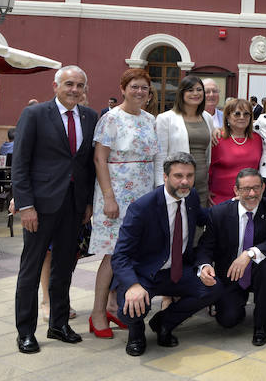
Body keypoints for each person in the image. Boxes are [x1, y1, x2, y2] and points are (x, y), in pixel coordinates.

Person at [12, 65, 98, 354]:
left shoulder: (90, 117)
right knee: (31, 269)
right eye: (69, 84)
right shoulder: (35, 114)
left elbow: (85, 165)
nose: (75, 89)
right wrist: (26, 206)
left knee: (64, 267)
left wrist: (87, 202)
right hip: (41, 206)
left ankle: (59, 324)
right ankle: (25, 331)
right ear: (55, 86)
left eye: (80, 85)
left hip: (73, 207)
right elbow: (20, 163)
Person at [111, 153, 219, 356]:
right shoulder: (142, 207)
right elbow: (120, 256)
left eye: (190, 175)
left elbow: (207, 218)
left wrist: (234, 205)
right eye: (178, 175)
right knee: (128, 309)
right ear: (165, 177)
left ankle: (163, 323)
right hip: (145, 273)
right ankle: (136, 333)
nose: (185, 181)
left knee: (212, 289)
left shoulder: (191, 196)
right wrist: (133, 286)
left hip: (178, 271)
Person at [88, 69, 158, 338]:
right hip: (116, 192)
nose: (139, 92)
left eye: (144, 88)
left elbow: (153, 159)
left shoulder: (150, 119)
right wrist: (108, 197)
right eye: (134, 87)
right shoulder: (111, 118)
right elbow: (99, 159)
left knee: (134, 253)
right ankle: (97, 313)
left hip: (143, 194)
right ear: (123, 88)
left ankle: (119, 308)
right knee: (113, 255)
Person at [196, 168, 266, 346]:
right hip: (231, 274)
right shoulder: (219, 213)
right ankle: (236, 303)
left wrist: (249, 254)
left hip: (259, 271)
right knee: (228, 320)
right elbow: (206, 247)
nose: (252, 194)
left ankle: (261, 325)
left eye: (256, 188)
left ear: (263, 187)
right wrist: (204, 266)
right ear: (236, 190)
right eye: (245, 189)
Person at [155, 76, 216, 206]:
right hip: (177, 185)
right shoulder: (165, 119)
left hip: (201, 184)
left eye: (199, 90)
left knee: (198, 223)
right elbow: (160, 156)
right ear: (181, 93)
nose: (195, 93)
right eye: (190, 90)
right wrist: (161, 187)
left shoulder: (207, 118)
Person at [209, 98, 264, 205]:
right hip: (221, 199)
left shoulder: (257, 138)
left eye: (246, 114)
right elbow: (208, 167)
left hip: (251, 198)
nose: (242, 117)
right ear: (228, 117)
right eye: (237, 114)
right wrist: (205, 191)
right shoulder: (217, 138)